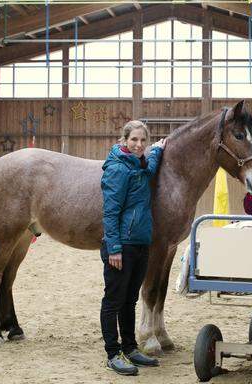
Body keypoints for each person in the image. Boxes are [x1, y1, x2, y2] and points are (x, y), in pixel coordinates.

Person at [100, 120, 166, 376]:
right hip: (121, 246)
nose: (139, 145)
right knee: (114, 300)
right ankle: (112, 352)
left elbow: (148, 171)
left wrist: (158, 150)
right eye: (134, 140)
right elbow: (110, 211)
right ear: (124, 140)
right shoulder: (117, 168)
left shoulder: (138, 164)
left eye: (143, 141)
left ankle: (130, 347)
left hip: (140, 243)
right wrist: (114, 247)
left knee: (130, 300)